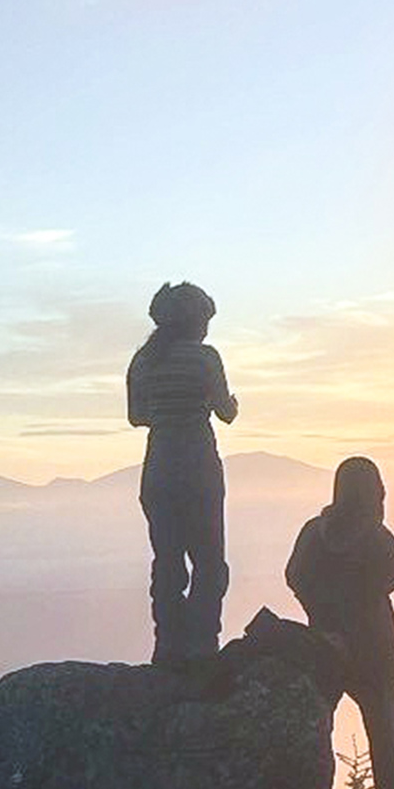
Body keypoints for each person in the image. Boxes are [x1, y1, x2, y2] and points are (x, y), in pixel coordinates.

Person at [285, 456, 394, 789]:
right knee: (387, 731)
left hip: (328, 648)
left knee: (342, 726)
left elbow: (295, 576)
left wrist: (323, 609)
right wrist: (365, 593)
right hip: (374, 650)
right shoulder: (371, 535)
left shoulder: (314, 532)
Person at [127, 282, 238, 664]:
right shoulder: (206, 359)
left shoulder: (142, 361)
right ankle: (202, 649)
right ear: (195, 321)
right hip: (199, 468)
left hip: (158, 468)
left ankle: (168, 648)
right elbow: (227, 412)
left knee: (168, 562)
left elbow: (136, 416)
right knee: (209, 564)